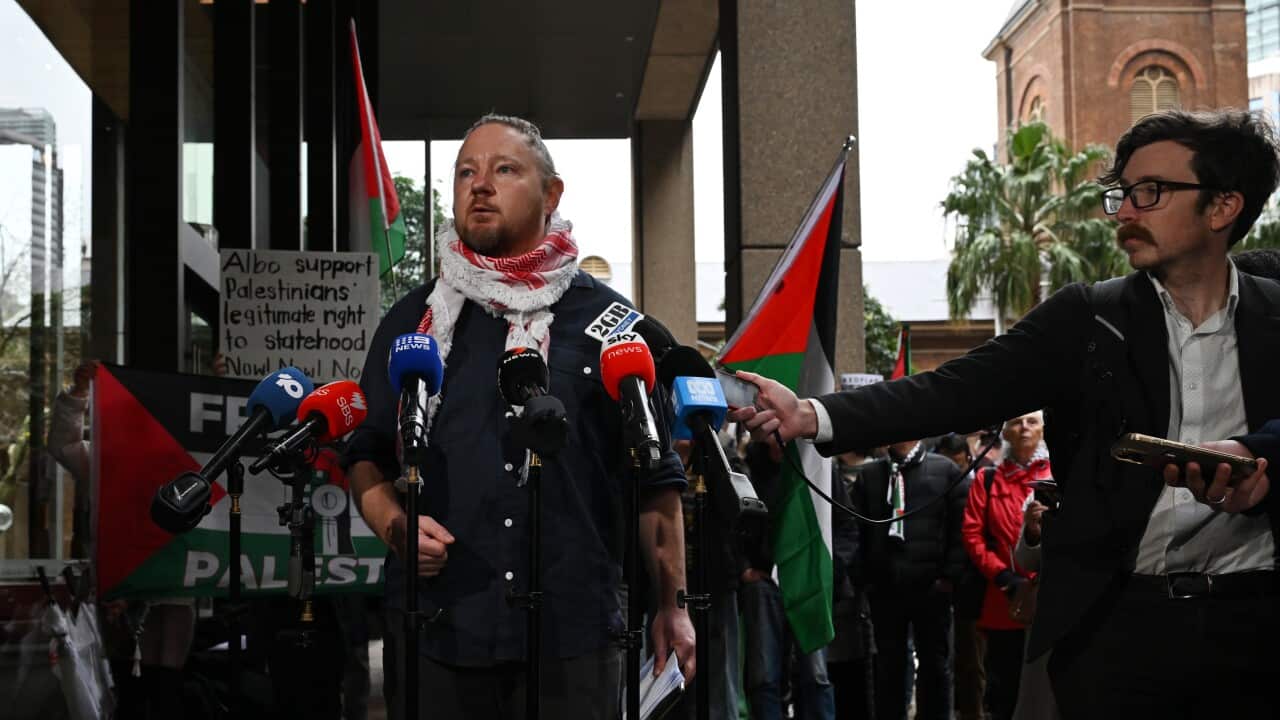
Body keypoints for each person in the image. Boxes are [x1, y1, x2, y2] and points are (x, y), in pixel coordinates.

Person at [730, 109, 1280, 718]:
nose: (1124, 211)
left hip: (1257, 624)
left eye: (1150, 192)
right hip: (1120, 630)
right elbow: (955, 390)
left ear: (1223, 206)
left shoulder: (1273, 313)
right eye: (1121, 193)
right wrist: (812, 413)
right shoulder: (1088, 320)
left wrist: (1262, 457)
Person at [343, 114, 695, 720]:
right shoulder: (413, 322)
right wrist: (394, 526)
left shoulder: (613, 326)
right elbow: (365, 452)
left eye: (504, 170)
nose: (480, 185)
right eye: (466, 172)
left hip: (573, 639)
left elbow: (655, 483)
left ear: (551, 194)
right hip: (438, 630)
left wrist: (673, 604)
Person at [847, 438, 967, 720]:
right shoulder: (871, 474)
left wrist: (949, 576)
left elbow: (959, 527)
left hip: (932, 586)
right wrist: (864, 578)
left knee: (935, 665)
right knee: (888, 665)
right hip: (885, 586)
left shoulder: (945, 470)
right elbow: (857, 530)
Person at [961, 412, 1051, 720]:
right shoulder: (987, 479)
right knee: (1004, 692)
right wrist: (1005, 577)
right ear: (1005, 432)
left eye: (1032, 421)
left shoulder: (1059, 476)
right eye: (1016, 422)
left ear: (1043, 429)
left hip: (1053, 599)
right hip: (1005, 601)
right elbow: (973, 536)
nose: (1024, 428)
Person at [933, 432, 985, 720]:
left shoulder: (980, 484)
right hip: (938, 583)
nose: (952, 470)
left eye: (956, 462)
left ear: (967, 459)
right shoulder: (933, 485)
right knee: (943, 658)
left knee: (971, 660)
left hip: (971, 587)